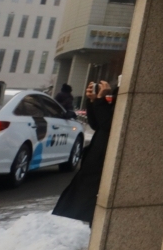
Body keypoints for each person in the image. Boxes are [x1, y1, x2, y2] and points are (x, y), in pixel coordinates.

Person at [53, 80, 115, 223]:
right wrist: (93, 101)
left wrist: (100, 101)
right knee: (77, 202)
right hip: (96, 156)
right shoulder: (117, 88)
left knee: (82, 205)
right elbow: (96, 124)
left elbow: (109, 124)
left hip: (103, 158)